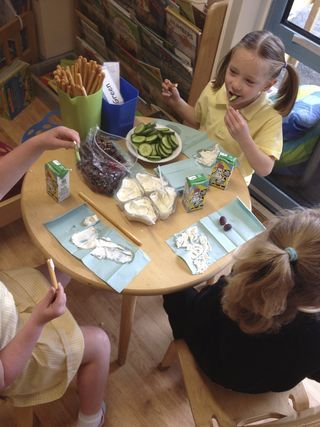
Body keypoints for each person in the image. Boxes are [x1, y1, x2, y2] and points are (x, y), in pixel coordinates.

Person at [0, 126, 110, 427]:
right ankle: (90, 418)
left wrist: (36, 143)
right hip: (14, 353)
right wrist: (37, 321)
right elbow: (4, 374)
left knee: (64, 265)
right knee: (99, 343)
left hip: (5, 303)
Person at [163, 207, 320, 393]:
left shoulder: (249, 276)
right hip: (255, 384)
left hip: (208, 354)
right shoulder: (313, 334)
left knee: (171, 283)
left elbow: (204, 309)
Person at [162, 30, 300, 184]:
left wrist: (244, 138)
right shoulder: (215, 88)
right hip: (194, 168)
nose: (236, 84)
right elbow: (198, 121)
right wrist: (177, 102)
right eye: (233, 72)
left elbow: (265, 168)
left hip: (229, 184)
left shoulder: (270, 117)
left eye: (249, 81)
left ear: (268, 85)